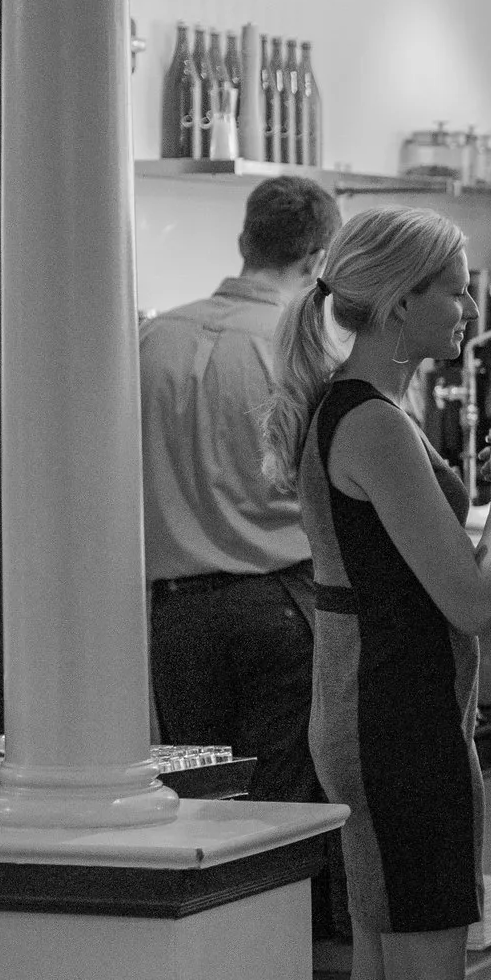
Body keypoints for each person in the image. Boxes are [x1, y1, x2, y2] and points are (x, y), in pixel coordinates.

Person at [260, 206, 491, 980]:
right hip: (399, 720)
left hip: (361, 712)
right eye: (457, 287)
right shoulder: (374, 420)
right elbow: (468, 594)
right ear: (402, 299)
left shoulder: (349, 407)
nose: (468, 307)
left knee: (377, 979)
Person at [140, 175, 339, 817]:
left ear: (241, 242)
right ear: (317, 260)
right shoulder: (302, 347)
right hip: (279, 603)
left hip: (176, 616)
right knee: (286, 818)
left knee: (200, 816)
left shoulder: (151, 339)